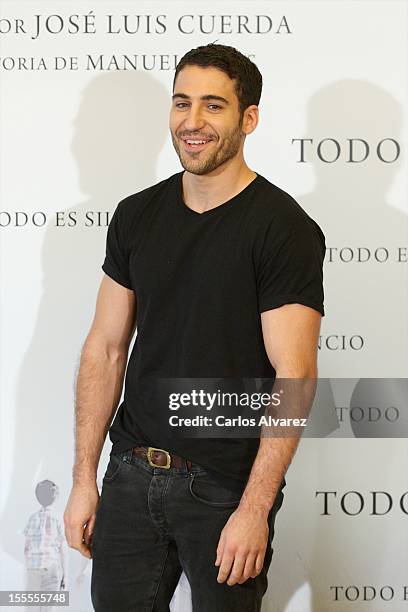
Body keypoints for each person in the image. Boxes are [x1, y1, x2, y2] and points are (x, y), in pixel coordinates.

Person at [64, 43, 326, 611]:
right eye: (182, 103)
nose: (192, 121)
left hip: (223, 487)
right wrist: (85, 477)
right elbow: (105, 349)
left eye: (213, 106)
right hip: (130, 474)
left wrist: (256, 507)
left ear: (248, 118)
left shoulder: (283, 228)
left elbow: (295, 373)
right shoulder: (136, 214)